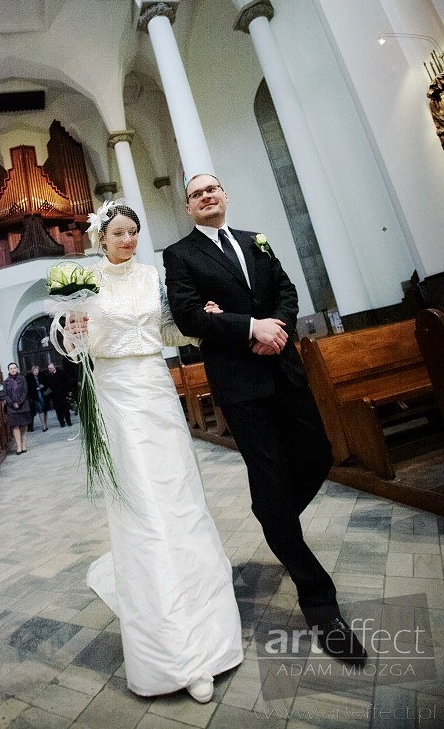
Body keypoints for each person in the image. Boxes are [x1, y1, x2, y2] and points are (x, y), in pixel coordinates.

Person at [163, 173, 367, 662]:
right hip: (240, 384)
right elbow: (190, 316)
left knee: (318, 455)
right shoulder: (180, 255)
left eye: (213, 189)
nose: (206, 196)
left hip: (284, 370)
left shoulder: (257, 239)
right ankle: (319, 599)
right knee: (270, 475)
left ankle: (274, 519)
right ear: (189, 208)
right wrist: (249, 327)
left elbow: (286, 291)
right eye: (196, 194)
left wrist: (276, 328)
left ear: (225, 196)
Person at [69, 200, 243, 703]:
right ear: (101, 238)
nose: (127, 240)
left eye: (133, 232)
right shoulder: (84, 281)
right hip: (116, 397)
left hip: (155, 388)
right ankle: (170, 647)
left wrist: (201, 320)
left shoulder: (152, 276)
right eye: (118, 233)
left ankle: (205, 624)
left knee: (178, 495)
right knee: (143, 505)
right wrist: (72, 327)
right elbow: (75, 343)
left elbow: (167, 330)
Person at [1, 362, 31, 454]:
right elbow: (5, 395)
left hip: (23, 405)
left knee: (23, 425)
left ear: (17, 369)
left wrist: (19, 402)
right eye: (11, 368)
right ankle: (18, 446)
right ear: (8, 370)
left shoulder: (23, 379)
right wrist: (13, 403)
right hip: (12, 407)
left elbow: (25, 391)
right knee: (15, 426)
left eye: (14, 368)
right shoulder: (5, 382)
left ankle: (23, 444)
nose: (13, 370)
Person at [41, 362, 72, 427]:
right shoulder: (48, 376)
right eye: (49, 368)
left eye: (51, 368)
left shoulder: (61, 373)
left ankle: (68, 421)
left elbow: (66, 383)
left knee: (65, 409)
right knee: (58, 410)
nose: (50, 369)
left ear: (54, 367)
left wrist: (68, 392)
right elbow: (48, 386)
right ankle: (62, 423)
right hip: (54, 396)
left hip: (63, 394)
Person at [26, 364, 49, 432]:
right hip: (36, 396)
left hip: (43, 395)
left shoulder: (42, 375)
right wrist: (35, 388)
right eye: (35, 371)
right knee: (40, 410)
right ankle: (43, 425)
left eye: (37, 370)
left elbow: (47, 384)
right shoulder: (29, 378)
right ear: (32, 371)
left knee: (45, 410)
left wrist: (43, 386)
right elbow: (29, 388)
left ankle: (45, 423)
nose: (36, 372)